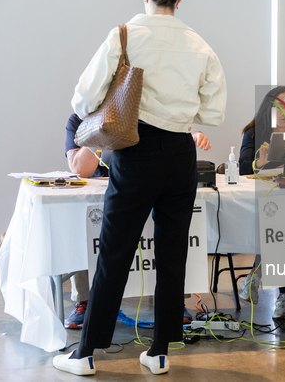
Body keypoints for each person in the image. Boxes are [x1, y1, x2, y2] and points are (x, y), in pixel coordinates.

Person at [53, 0, 226, 376]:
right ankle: (160, 352)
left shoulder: (124, 35)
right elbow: (213, 112)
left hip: (136, 150)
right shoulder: (199, 44)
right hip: (182, 153)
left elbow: (83, 101)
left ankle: (85, 355)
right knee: (172, 254)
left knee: (114, 254)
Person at [63, 113, 211, 329]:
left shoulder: (142, 110)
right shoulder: (77, 120)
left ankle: (173, 302)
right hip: (102, 192)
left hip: (143, 182)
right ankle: (86, 301)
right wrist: (99, 130)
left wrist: (192, 135)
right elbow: (79, 169)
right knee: (86, 232)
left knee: (172, 238)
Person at [238, 86, 285, 320]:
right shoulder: (255, 133)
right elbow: (243, 166)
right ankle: (283, 295)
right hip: (261, 203)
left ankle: (254, 277)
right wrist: (261, 162)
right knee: (278, 223)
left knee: (283, 222)